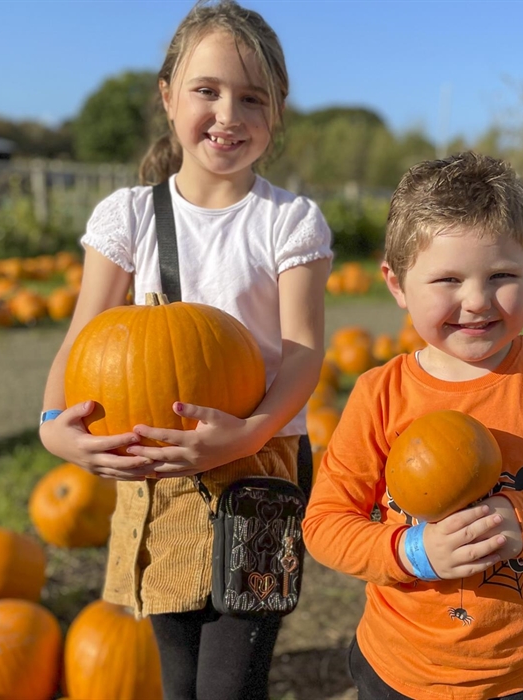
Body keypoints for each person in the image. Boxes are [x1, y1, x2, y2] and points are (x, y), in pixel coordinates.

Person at [38, 1, 332, 697]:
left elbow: (303, 352)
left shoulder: (288, 221)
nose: (228, 114)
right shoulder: (130, 216)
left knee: (230, 684)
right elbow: (83, 336)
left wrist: (245, 433)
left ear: (276, 110)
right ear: (168, 98)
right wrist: (53, 427)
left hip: (258, 466)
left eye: (251, 97)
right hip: (159, 469)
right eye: (207, 90)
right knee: (179, 678)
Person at [302, 151, 523, 700]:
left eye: (502, 276)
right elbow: (324, 525)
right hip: (400, 667)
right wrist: (415, 553)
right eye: (448, 279)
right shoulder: (379, 395)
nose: (478, 301)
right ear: (396, 283)